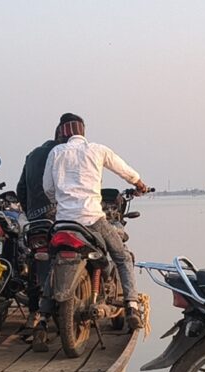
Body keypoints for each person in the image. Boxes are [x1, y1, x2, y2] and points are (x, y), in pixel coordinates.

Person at [34, 113, 148, 350]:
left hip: (64, 223)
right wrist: (139, 184)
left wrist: (62, 203)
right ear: (82, 132)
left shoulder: (55, 153)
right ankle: (132, 306)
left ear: (62, 133)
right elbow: (124, 170)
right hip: (92, 220)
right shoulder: (97, 150)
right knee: (122, 256)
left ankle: (42, 321)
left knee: (55, 264)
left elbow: (47, 188)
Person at [16, 116, 67, 328]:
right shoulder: (64, 153)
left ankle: (34, 312)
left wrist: (31, 213)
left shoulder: (32, 155)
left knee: (35, 262)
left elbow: (21, 189)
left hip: (36, 220)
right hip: (59, 215)